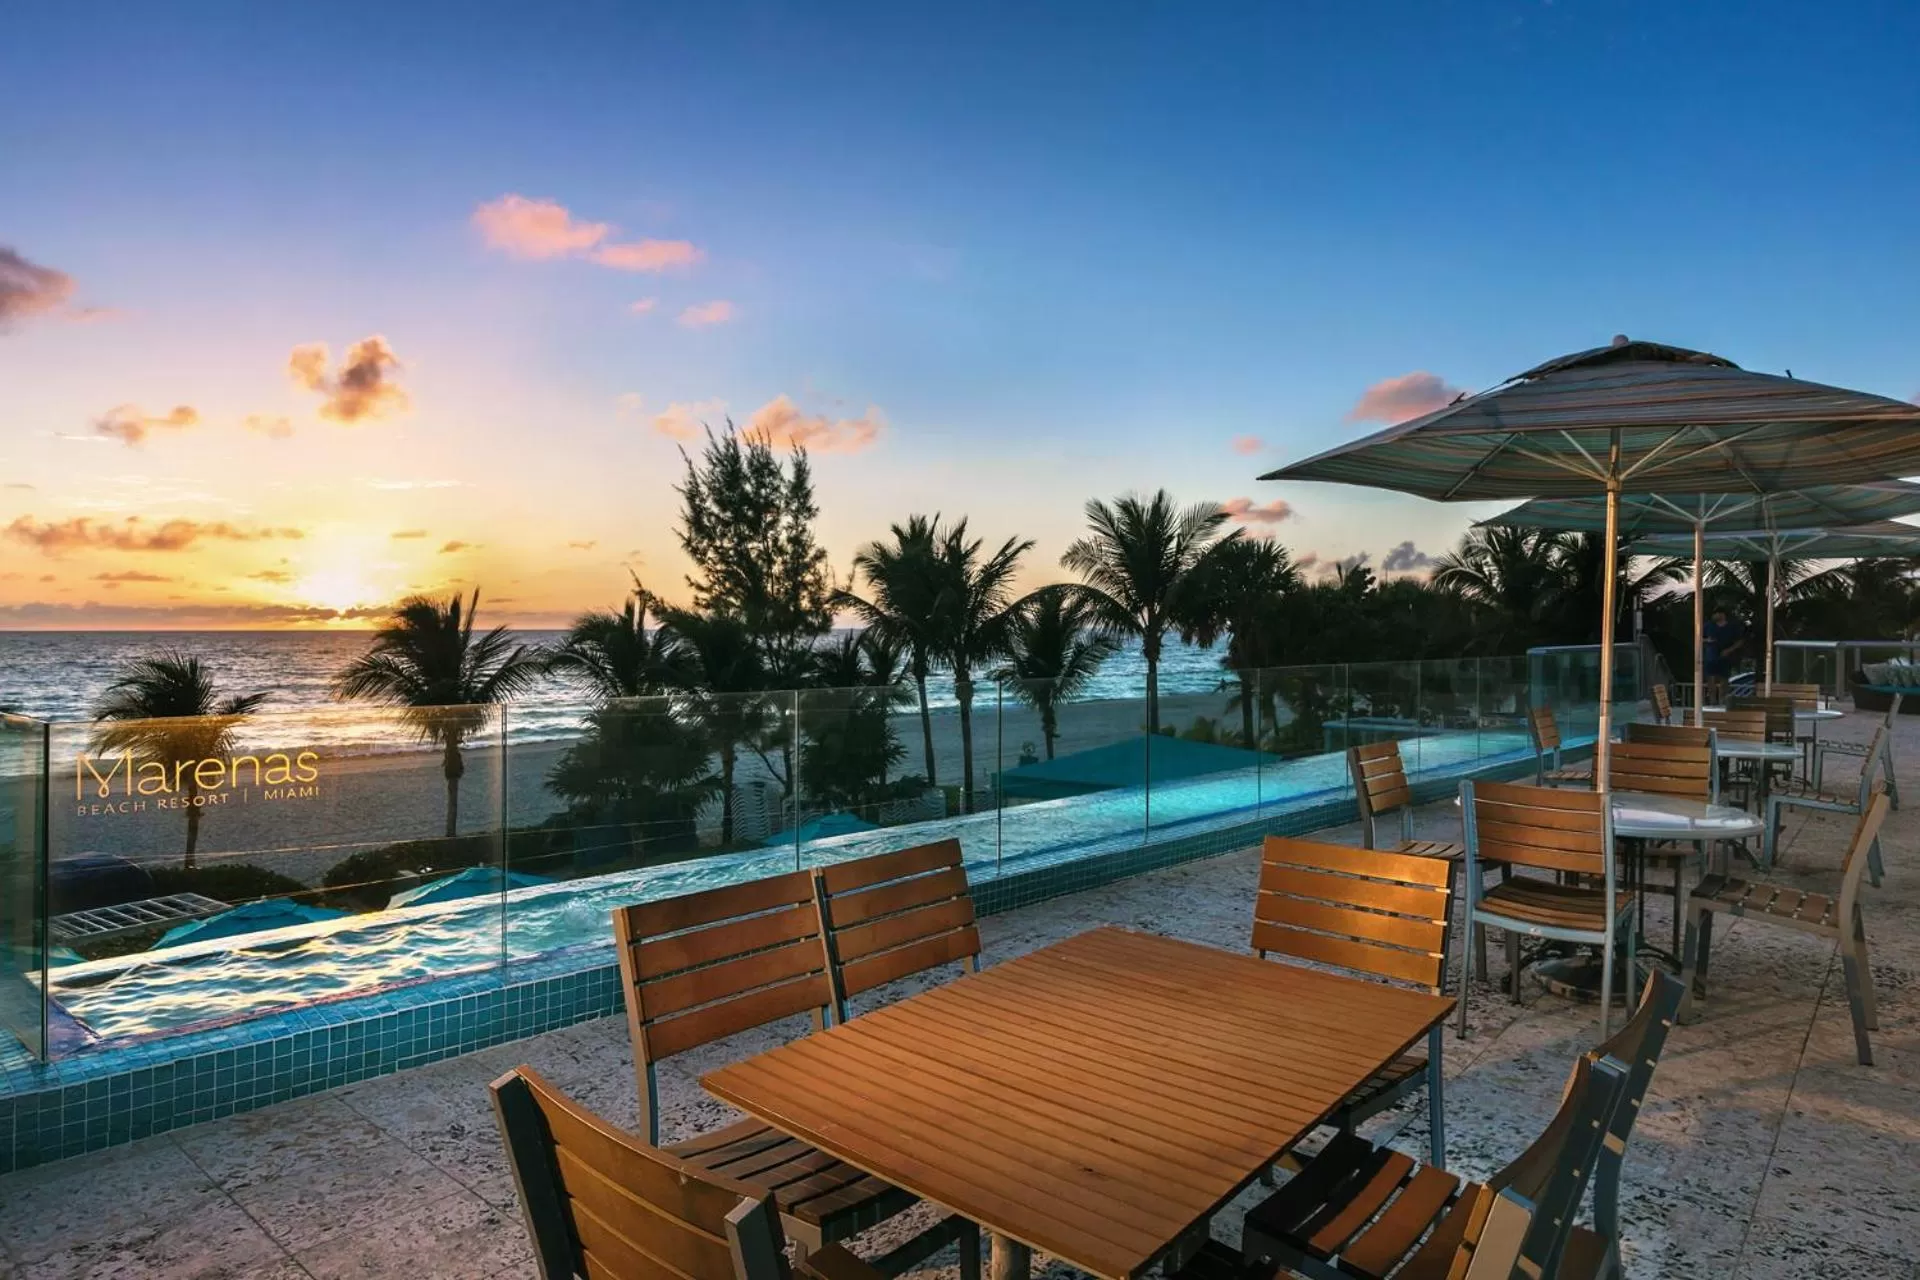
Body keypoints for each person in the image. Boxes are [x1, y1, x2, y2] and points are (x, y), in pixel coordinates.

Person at [1703, 608, 1747, 703]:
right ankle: (1712, 702)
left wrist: (1729, 650)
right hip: (1710, 657)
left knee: (1724, 681)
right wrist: (1707, 640)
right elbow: (1698, 637)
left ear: (1722, 614)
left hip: (1725, 657)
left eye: (1715, 614)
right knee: (1711, 680)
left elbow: (1740, 641)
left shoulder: (1732, 627)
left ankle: (1723, 701)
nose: (1713, 616)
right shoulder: (1708, 626)